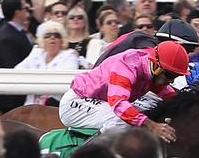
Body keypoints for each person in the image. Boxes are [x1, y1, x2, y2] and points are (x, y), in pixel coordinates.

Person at [59, 41, 187, 141]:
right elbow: (119, 104)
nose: (171, 81)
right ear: (156, 67)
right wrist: (152, 126)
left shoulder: (152, 70)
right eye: (170, 76)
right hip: (75, 103)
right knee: (121, 120)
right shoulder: (127, 67)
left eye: (175, 77)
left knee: (148, 113)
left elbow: (171, 97)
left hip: (102, 102)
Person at [15, 20, 81, 104]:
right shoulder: (36, 53)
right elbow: (17, 71)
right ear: (42, 40)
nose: (52, 38)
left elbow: (68, 80)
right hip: (31, 104)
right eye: (48, 35)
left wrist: (34, 80)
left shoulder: (70, 55)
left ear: (62, 40)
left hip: (56, 105)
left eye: (57, 35)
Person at [0, 0, 34, 112]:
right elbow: (14, 67)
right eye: (25, 8)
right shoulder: (7, 37)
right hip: (12, 99)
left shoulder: (17, 32)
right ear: (17, 12)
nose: (28, 11)